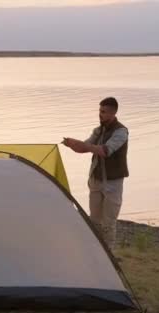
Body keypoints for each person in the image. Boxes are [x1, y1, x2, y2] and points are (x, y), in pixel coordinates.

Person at [62, 97, 129, 249]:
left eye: (103, 112)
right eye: (99, 111)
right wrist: (71, 144)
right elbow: (84, 148)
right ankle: (95, 249)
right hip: (96, 181)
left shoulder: (121, 132)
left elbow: (104, 151)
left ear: (113, 113)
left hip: (113, 183)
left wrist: (84, 145)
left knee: (109, 222)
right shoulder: (98, 130)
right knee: (94, 220)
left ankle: (109, 254)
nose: (100, 114)